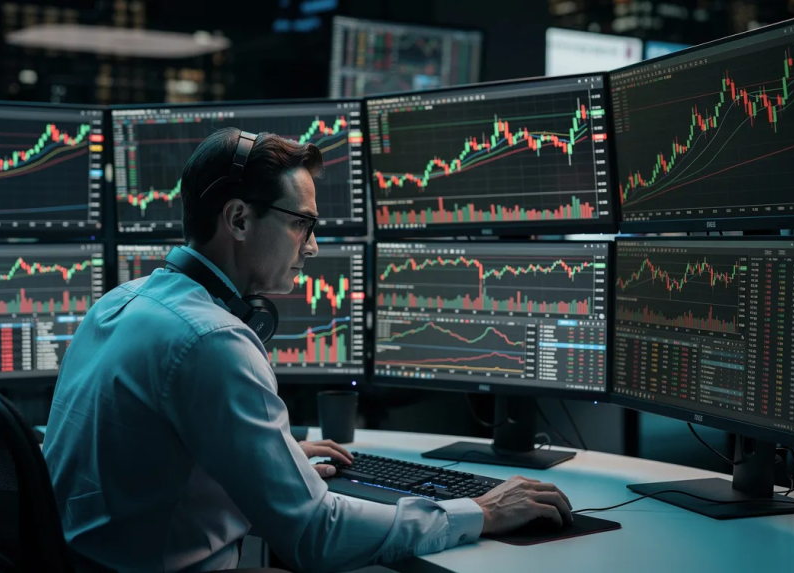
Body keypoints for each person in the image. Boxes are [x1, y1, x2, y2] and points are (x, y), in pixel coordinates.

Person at [43, 128, 574, 572]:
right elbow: (316, 534)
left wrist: (273, 460)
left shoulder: (118, 304)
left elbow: (139, 469)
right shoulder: (214, 340)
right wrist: (479, 512)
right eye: (301, 224)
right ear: (239, 219)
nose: (313, 247)